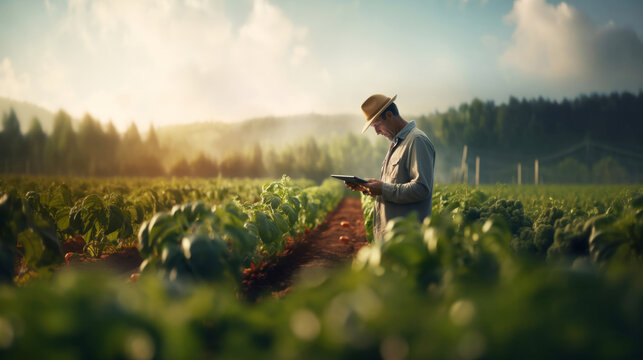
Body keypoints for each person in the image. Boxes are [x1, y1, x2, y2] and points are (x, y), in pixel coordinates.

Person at [345, 94, 435, 241]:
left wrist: (382, 189)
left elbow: (421, 189)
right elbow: (393, 187)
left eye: (377, 125)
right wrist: (367, 186)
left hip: (406, 241)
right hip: (390, 240)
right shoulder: (396, 144)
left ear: (389, 115)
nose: (377, 132)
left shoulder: (417, 141)